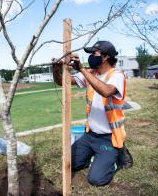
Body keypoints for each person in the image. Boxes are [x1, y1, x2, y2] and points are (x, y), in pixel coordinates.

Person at [53, 41, 133, 186]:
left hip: (109, 137)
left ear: (105, 57)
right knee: (69, 162)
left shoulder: (117, 75)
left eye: (93, 53)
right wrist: (55, 70)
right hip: (90, 135)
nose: (90, 57)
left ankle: (116, 158)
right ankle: (98, 157)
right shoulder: (91, 73)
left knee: (96, 179)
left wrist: (82, 69)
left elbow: (106, 91)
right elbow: (62, 82)